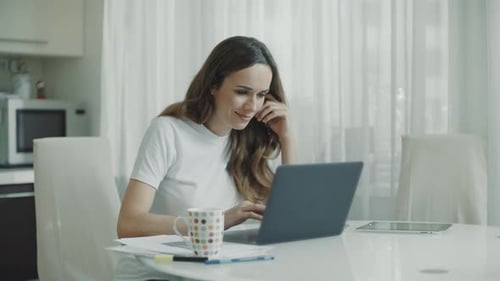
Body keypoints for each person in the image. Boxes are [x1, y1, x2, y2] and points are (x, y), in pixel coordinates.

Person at [114, 36, 294, 280]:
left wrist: (287, 138)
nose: (253, 106)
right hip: (157, 273)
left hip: (216, 272)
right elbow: (129, 225)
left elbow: (289, 221)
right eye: (242, 92)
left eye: (261, 95)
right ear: (213, 85)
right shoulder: (168, 131)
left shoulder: (246, 140)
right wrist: (216, 222)